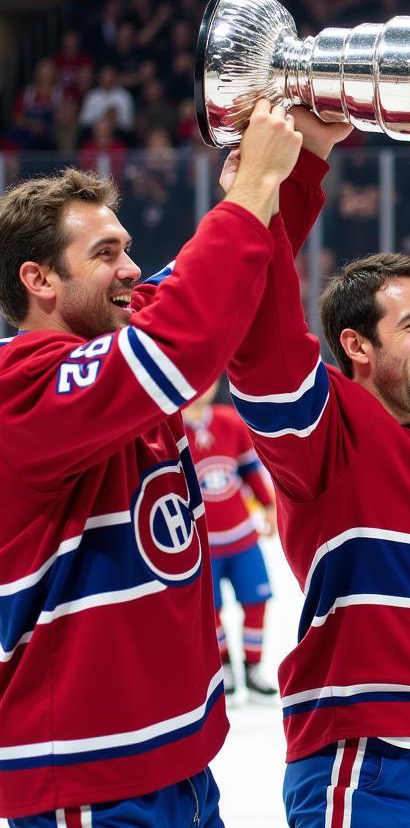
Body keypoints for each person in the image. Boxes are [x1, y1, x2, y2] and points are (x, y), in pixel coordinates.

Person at [0, 99, 301, 824]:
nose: (132, 268)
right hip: (88, 778)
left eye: (128, 247)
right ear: (38, 280)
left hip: (183, 764)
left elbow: (223, 285)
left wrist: (299, 169)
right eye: (105, 254)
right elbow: (181, 341)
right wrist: (251, 189)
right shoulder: (22, 388)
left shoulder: (113, 359)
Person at [223, 109, 410, 828]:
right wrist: (283, 182)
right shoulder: (330, 429)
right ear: (355, 346)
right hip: (371, 764)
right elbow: (262, 329)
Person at [182, 379, 278, 703]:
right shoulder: (166, 429)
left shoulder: (230, 422)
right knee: (210, 611)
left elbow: (250, 470)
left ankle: (253, 668)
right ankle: (223, 668)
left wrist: (268, 506)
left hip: (242, 536)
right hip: (200, 544)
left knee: (257, 599)